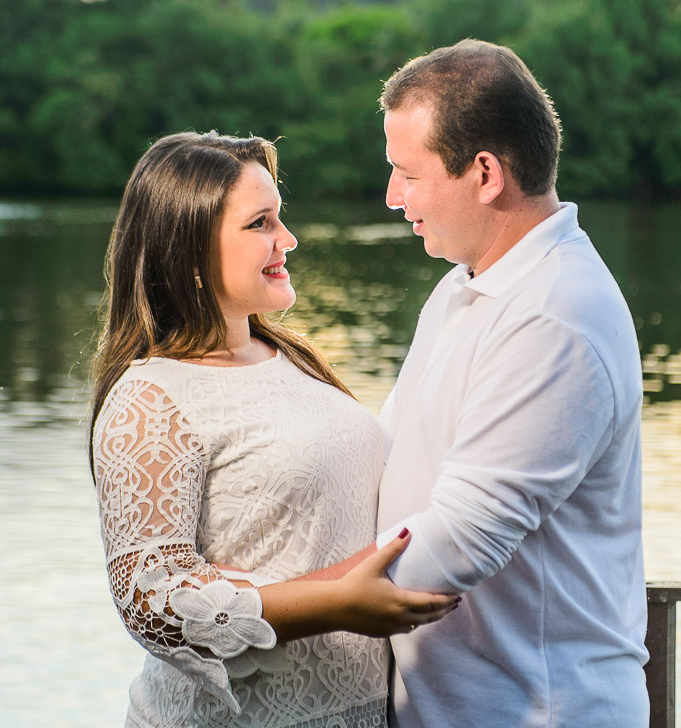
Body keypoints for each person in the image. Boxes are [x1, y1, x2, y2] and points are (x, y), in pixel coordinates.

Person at [88, 131, 456, 728]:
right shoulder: (151, 399)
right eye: (260, 223)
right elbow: (149, 601)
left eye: (279, 218)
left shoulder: (291, 359)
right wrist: (332, 604)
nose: (288, 240)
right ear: (189, 253)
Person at [373, 40, 649, 726]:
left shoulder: (557, 313)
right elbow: (385, 457)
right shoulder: (464, 287)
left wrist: (270, 609)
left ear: (486, 173)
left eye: (406, 173)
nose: (392, 196)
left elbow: (459, 541)